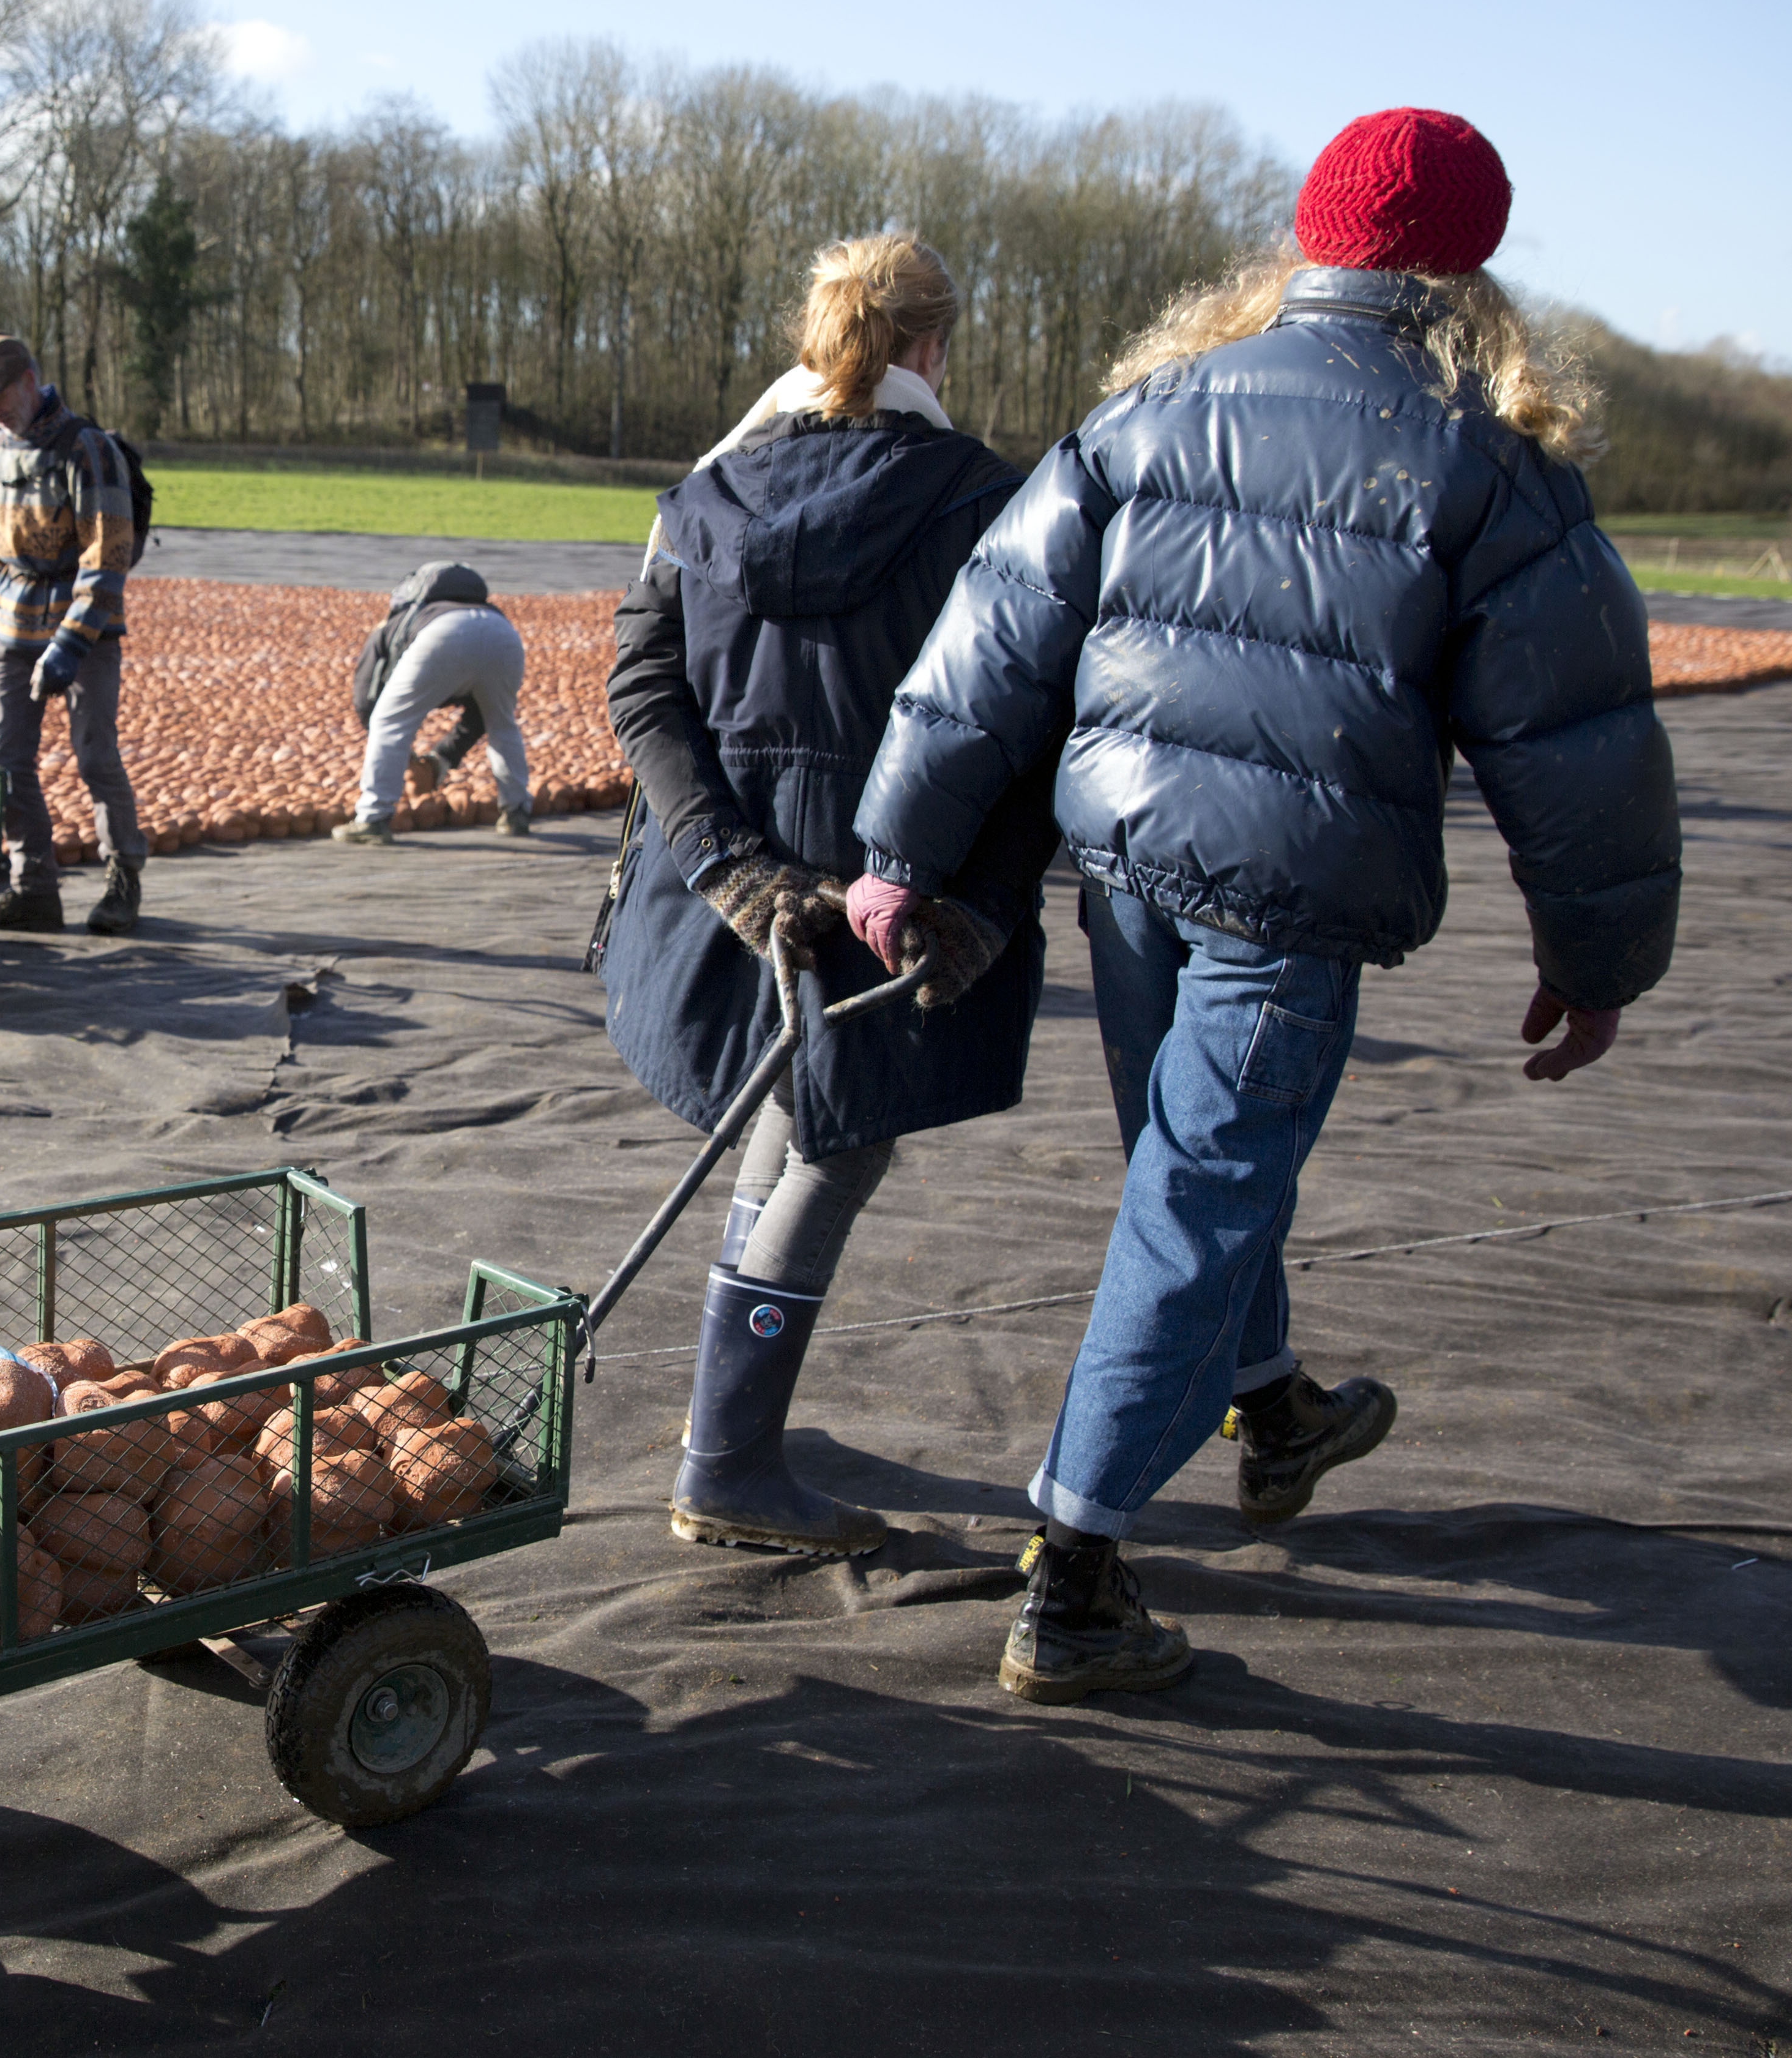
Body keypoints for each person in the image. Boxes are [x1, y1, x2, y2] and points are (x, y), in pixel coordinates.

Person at [848, 108, 1682, 1704]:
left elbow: (988, 641)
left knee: (1195, 1168)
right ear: (1470, 271)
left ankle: (1273, 1402)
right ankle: (1074, 1578)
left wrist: (896, 846)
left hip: (1125, 870)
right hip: (1288, 901)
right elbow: (1577, 750)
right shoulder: (1490, 463)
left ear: (1311, 243)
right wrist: (1596, 962)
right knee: (1201, 1193)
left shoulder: (1153, 408)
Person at [597, 233, 1039, 1558]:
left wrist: (723, 861)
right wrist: (984, 897)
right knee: (836, 1148)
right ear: (929, 348)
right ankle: (728, 1459)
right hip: (891, 875)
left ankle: (729, 1419)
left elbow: (642, 691)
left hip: (758, 875)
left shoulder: (706, 492)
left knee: (797, 1117)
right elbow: (1023, 721)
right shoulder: (983, 502)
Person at [0, 331, 148, 936]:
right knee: (4, 761)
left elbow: (107, 556)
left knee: (95, 755)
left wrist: (69, 645)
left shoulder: (88, 450)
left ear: (30, 382)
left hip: (84, 628)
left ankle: (123, 877)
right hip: (14, 624)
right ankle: (32, 887)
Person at [333, 561, 533, 842]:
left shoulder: (403, 617)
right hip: (504, 635)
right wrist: (443, 758)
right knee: (502, 724)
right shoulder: (487, 612)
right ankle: (517, 812)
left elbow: (366, 692)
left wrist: (404, 755)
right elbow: (480, 716)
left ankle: (373, 817)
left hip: (443, 635)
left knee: (389, 721)